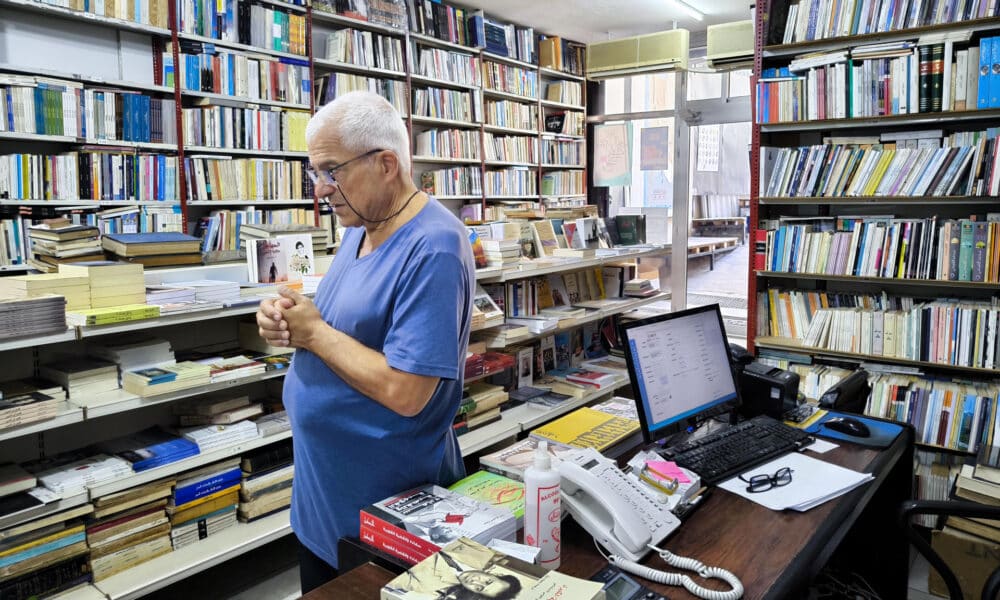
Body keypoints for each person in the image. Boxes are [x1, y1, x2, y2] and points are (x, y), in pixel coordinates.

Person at [256, 91, 475, 593]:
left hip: (385, 512)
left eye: (331, 170)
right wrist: (288, 322)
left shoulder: (436, 245)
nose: (321, 189)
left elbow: (406, 390)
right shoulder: (359, 226)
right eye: (315, 173)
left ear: (386, 164)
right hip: (324, 499)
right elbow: (342, 329)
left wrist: (314, 332)